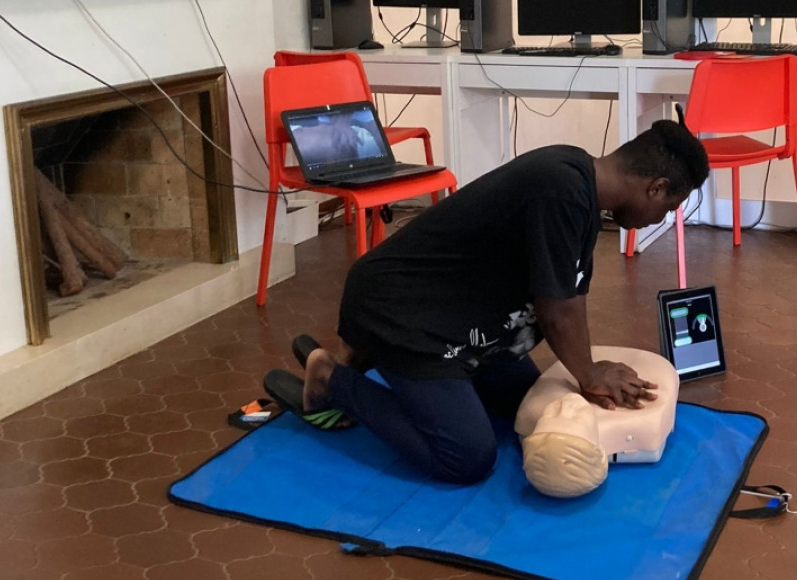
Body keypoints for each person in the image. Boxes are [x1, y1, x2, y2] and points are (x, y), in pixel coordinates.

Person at [288, 117, 709, 484]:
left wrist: (586, 372)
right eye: (672, 205)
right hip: (404, 313)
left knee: (526, 406)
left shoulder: (581, 187)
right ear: (657, 188)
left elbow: (568, 295)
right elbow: (557, 313)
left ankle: (383, 364)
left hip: (461, 317)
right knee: (467, 457)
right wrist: (591, 374)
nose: (665, 217)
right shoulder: (562, 191)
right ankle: (332, 377)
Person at [517, 346, 679, 498]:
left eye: (550, 415)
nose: (567, 404)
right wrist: (590, 375)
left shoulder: (531, 412)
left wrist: (588, 373)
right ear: (600, 453)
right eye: (576, 418)